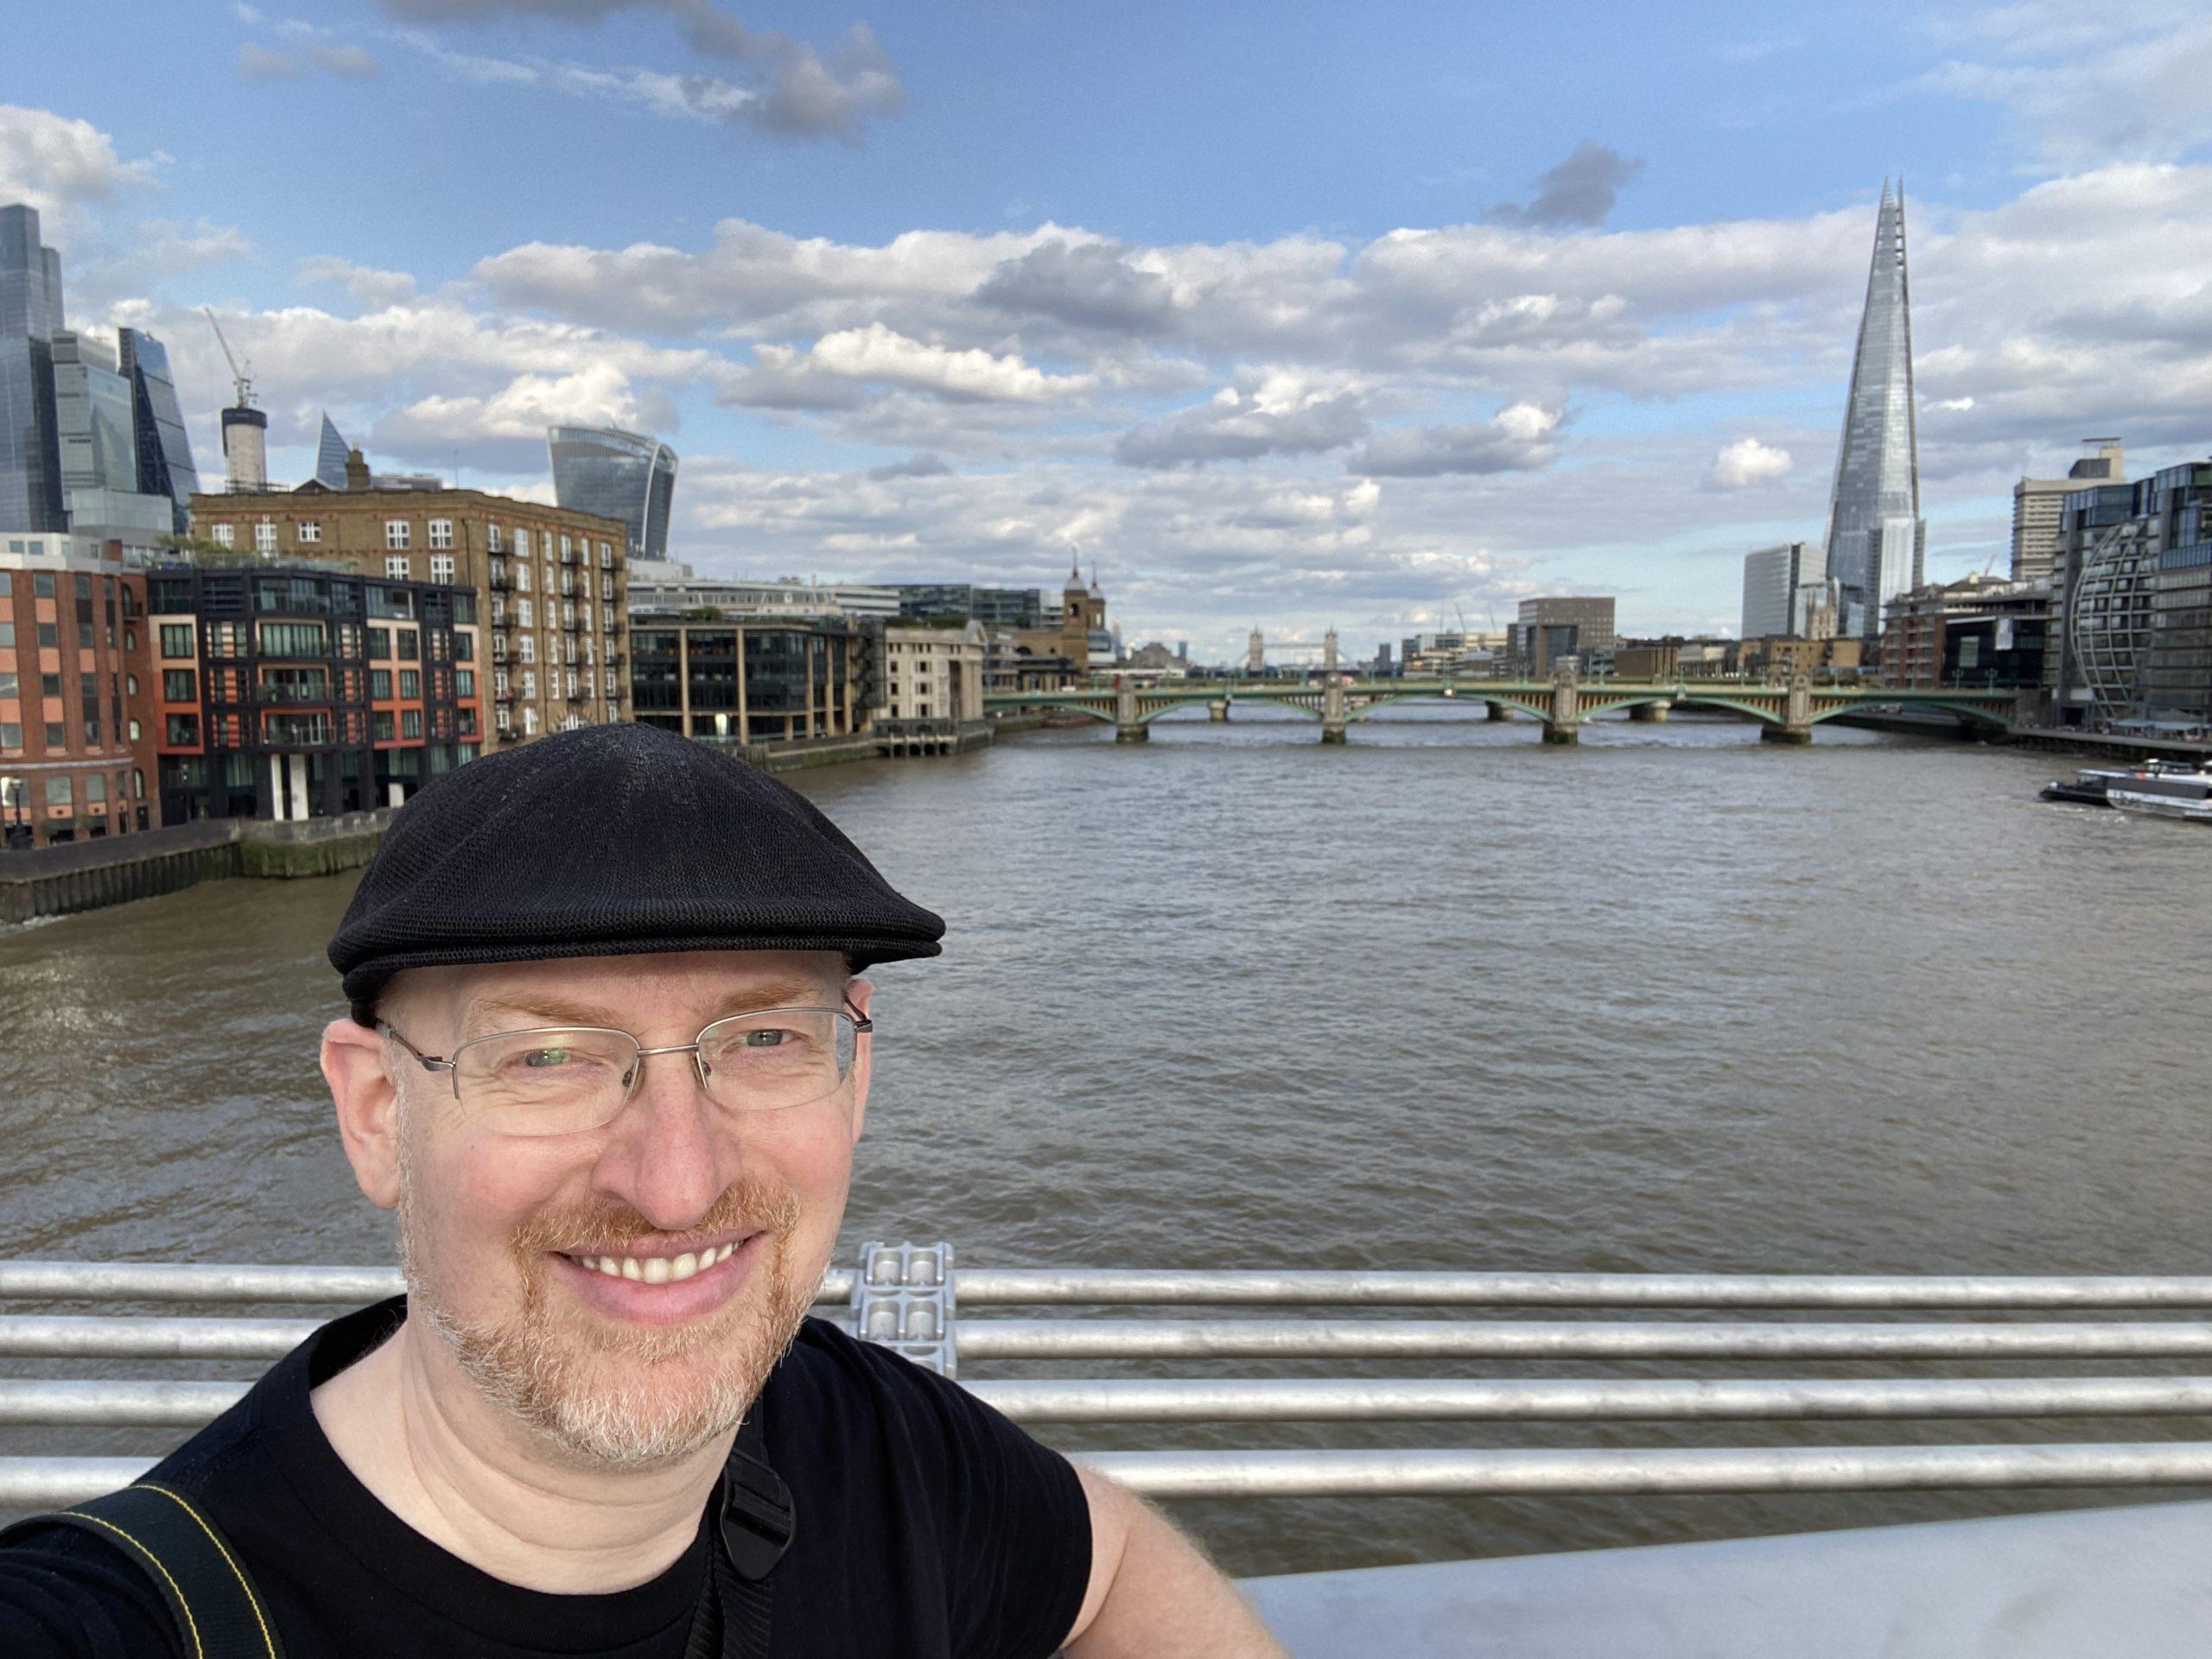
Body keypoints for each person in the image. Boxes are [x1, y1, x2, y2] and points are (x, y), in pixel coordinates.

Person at [0, 723, 1283, 1657]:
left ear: (855, 1075)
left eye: (765, 1039)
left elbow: (1104, 1568)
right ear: (379, 1112)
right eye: (547, 1056)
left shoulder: (872, 1442)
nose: (676, 1185)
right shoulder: (126, 1622)